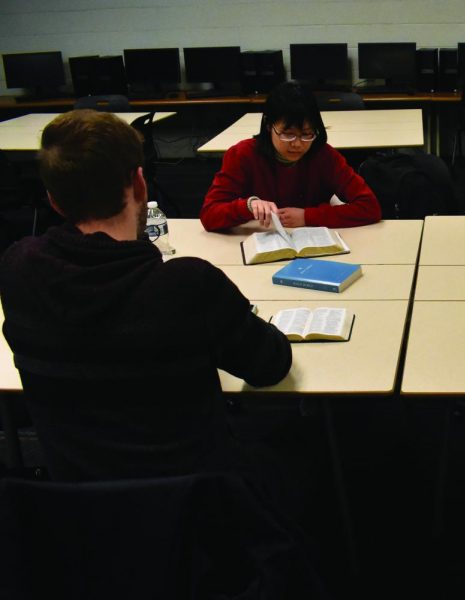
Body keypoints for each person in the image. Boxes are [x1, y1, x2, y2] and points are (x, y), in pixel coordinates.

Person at [0, 110, 293, 486]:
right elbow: (271, 365)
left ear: (54, 201)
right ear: (141, 186)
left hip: (81, 506)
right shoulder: (188, 284)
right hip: (202, 506)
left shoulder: (18, 270)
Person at [201, 81, 381, 231]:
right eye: (287, 134)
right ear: (268, 126)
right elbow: (209, 215)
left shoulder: (324, 155)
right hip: (260, 241)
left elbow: (369, 207)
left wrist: (307, 216)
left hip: (311, 243)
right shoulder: (242, 155)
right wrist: (247, 205)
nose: (297, 144)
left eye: (307, 134)